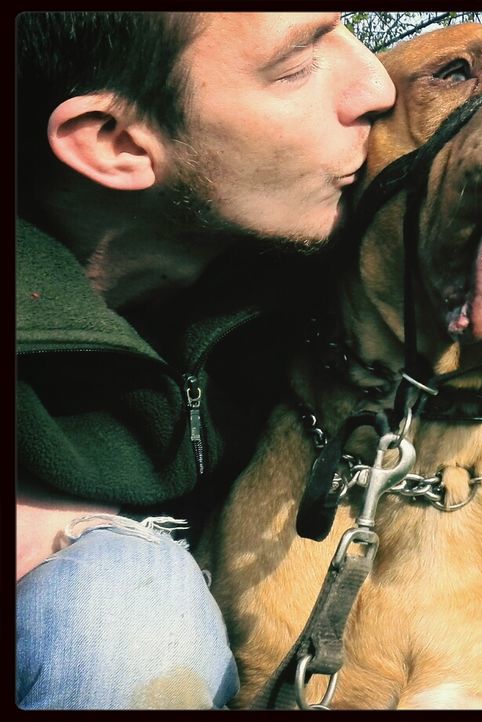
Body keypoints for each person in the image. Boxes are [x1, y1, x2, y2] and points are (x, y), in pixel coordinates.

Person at [15, 11, 395, 708]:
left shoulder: (325, 280)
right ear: (116, 143)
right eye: (296, 64)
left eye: (347, 26)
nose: (377, 83)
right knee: (128, 605)